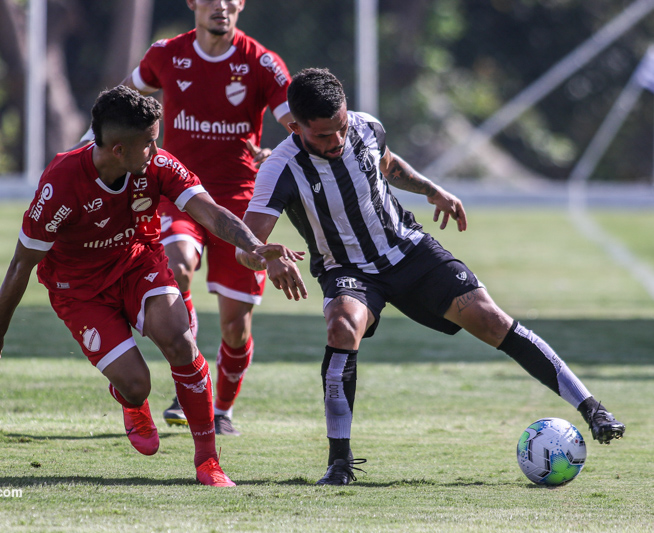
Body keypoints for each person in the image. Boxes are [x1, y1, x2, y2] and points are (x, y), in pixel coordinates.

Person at [236, 68, 626, 486]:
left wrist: (430, 190)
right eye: (323, 136)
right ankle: (340, 463)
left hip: (408, 250)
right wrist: (268, 259)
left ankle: (592, 409)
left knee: (492, 319)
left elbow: (387, 165)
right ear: (295, 126)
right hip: (347, 269)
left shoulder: (366, 127)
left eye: (341, 129)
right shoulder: (281, 168)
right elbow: (245, 246)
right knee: (341, 325)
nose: (336, 142)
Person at [0, 86, 302, 486]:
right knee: (137, 383)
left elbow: (209, 212)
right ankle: (131, 400)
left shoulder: (157, 165)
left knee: (181, 341)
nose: (156, 149)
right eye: (148, 142)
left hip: (138, 263)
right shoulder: (62, 183)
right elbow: (22, 263)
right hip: (79, 290)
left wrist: (257, 246)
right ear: (118, 150)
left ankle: (208, 461)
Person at [75, 0, 294, 435]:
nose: (221, 6)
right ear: (193, 3)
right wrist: (82, 154)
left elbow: (298, 128)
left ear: (241, 4)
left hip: (240, 203)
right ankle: (189, 368)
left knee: (235, 324)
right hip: (178, 191)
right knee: (176, 266)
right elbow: (119, 105)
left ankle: (223, 409)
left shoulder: (263, 64)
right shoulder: (165, 54)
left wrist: (277, 155)